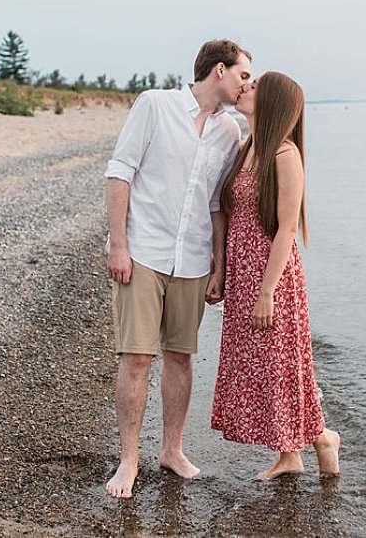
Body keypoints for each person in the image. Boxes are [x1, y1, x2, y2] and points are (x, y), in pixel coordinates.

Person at [103, 39, 252, 499]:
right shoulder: (155, 105)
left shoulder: (229, 132)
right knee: (136, 357)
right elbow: (119, 172)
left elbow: (215, 204)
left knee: (181, 357)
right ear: (220, 71)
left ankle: (171, 450)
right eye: (244, 75)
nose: (248, 84)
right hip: (143, 252)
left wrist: (219, 266)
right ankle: (129, 460)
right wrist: (120, 246)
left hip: (191, 260)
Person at [210, 71, 341, 480]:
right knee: (264, 367)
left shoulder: (284, 154)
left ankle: (322, 439)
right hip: (246, 276)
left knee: (282, 366)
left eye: (254, 87)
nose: (245, 88)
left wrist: (266, 292)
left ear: (272, 104)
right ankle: (290, 455)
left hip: (273, 279)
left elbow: (286, 228)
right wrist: (223, 271)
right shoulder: (247, 147)